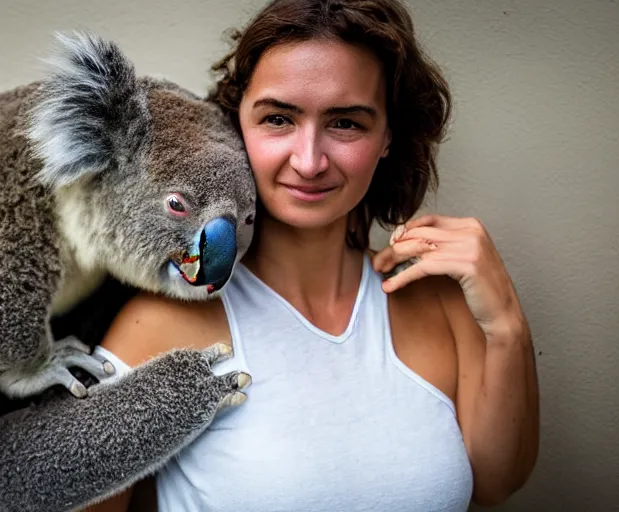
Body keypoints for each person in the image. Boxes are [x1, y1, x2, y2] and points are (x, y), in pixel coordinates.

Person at [88, 0, 539, 510]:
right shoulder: (160, 327)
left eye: (345, 123)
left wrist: (506, 325)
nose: (308, 161)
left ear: (388, 136)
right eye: (278, 118)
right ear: (237, 123)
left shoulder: (439, 303)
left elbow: (495, 482)